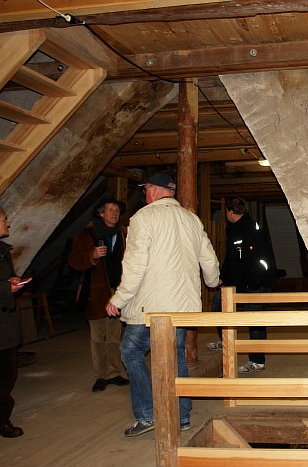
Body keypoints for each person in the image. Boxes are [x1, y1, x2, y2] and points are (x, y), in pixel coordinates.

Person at [106, 173, 219, 438]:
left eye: (146, 189)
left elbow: (135, 265)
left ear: (154, 191)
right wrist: (213, 281)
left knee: (131, 351)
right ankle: (181, 416)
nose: (145, 194)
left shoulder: (143, 218)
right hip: (182, 305)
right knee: (176, 355)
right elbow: (209, 257)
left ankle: (148, 414)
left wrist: (119, 299)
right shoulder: (191, 219)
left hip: (152, 306)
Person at [68, 196, 129, 392]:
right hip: (96, 292)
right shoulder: (87, 234)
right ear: (101, 213)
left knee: (114, 335)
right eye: (111, 209)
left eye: (117, 210)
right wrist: (91, 256)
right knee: (97, 337)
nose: (115, 213)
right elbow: (73, 260)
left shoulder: (122, 233)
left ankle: (114, 372)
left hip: (117, 291)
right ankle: (101, 375)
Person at [207, 197, 275, 374]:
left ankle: (257, 361)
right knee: (218, 307)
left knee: (255, 321)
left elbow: (260, 261)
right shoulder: (234, 229)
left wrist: (254, 285)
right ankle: (226, 341)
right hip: (237, 282)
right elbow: (232, 259)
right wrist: (223, 278)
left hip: (254, 284)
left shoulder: (250, 229)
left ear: (230, 212)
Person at [0, 205, 29, 450]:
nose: (8, 223)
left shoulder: (1, 251)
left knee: (6, 376)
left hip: (3, 325)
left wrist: (12, 281)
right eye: (4, 220)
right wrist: (6, 287)